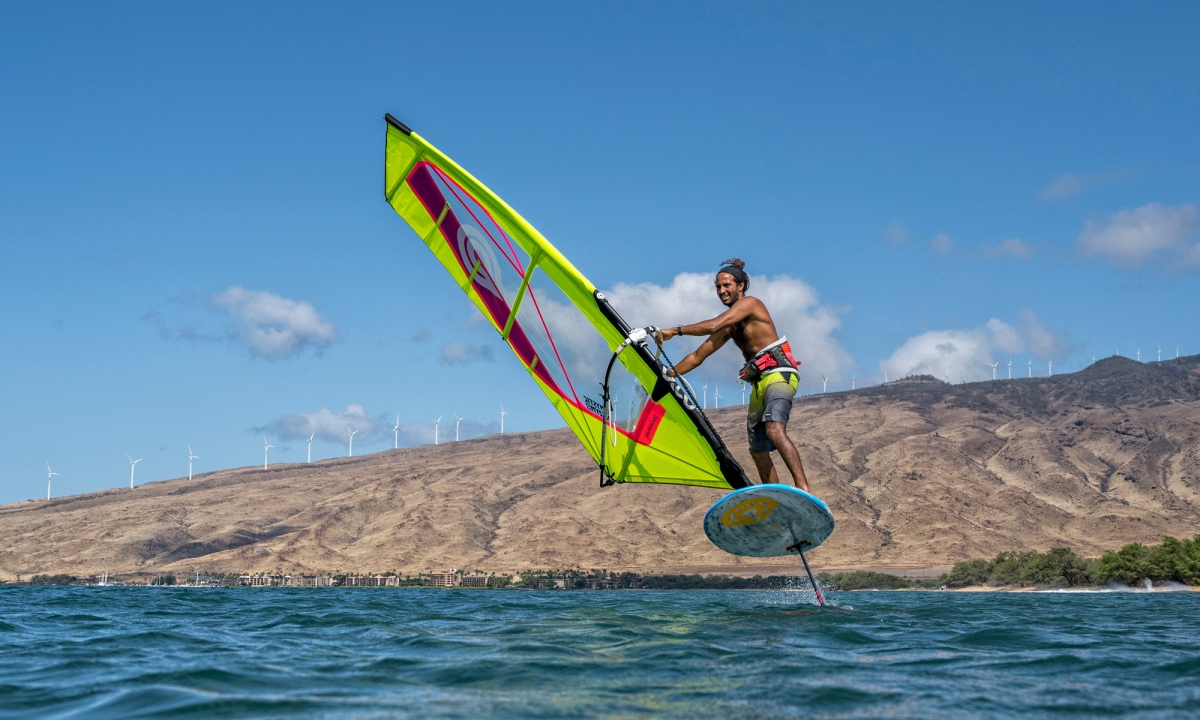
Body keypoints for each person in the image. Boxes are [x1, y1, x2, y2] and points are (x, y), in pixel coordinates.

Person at [655, 259, 812, 492]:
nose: (722, 291)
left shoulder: (751, 304)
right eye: (718, 287)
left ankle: (804, 488)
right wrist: (669, 373)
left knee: (774, 429)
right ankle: (777, 499)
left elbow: (713, 324)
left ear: (741, 286)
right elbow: (698, 356)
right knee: (758, 450)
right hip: (759, 383)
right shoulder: (730, 326)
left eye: (727, 285)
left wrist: (673, 331)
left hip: (780, 374)